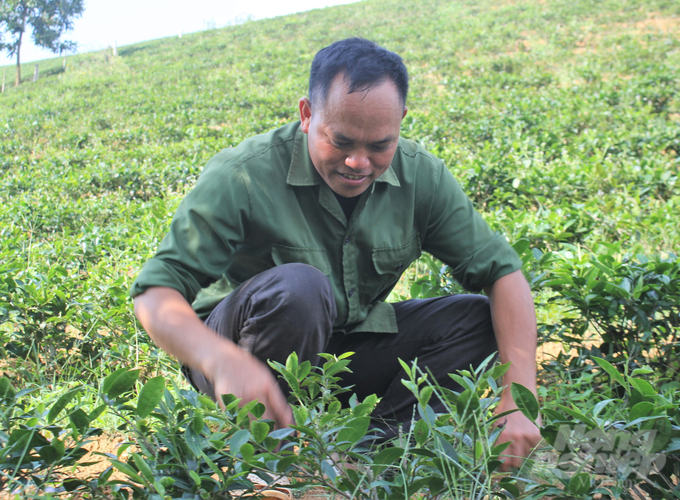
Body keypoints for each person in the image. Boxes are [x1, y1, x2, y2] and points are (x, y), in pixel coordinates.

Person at [131, 37, 541, 469]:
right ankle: (269, 459)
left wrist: (518, 397)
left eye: (380, 146)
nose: (358, 162)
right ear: (307, 115)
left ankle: (366, 456)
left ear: (401, 121)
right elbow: (154, 293)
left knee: (478, 320)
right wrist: (223, 361)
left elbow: (503, 274)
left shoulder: (423, 176)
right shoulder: (243, 176)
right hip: (236, 355)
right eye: (341, 142)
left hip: (342, 349)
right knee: (300, 289)